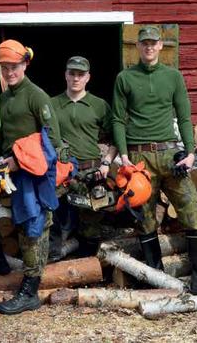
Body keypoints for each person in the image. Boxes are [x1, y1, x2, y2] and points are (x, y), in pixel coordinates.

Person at [0, 39, 65, 315]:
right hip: (6, 165)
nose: (9, 72)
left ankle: (30, 289)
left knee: (32, 224)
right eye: (4, 67)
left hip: (32, 170)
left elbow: (52, 140)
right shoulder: (5, 96)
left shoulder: (37, 96)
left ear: (25, 64)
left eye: (14, 66)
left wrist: (19, 162)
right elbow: (5, 137)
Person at [111, 25, 197, 295]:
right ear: (138, 47)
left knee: (191, 210)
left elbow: (185, 115)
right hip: (138, 156)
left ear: (161, 46)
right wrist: (123, 156)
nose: (149, 47)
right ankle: (156, 276)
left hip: (169, 154)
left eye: (154, 43)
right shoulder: (125, 78)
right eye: (144, 43)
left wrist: (190, 153)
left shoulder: (173, 77)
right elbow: (118, 119)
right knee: (144, 218)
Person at [49, 56, 116, 258]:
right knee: (54, 219)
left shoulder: (99, 105)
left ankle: (87, 270)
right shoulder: (52, 104)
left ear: (88, 77)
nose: (76, 78)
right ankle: (53, 268)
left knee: (90, 225)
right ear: (65, 75)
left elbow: (115, 139)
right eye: (72, 73)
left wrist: (106, 163)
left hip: (91, 171)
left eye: (81, 74)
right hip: (62, 172)